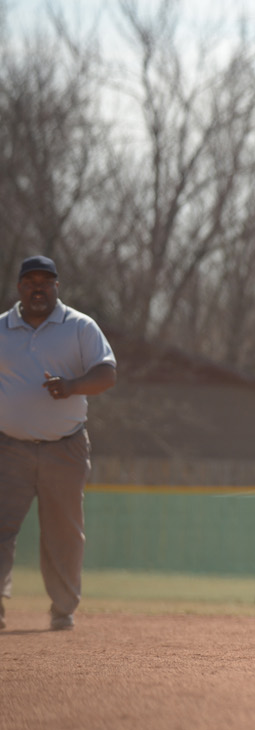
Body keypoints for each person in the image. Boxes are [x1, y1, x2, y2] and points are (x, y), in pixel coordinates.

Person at [0, 256, 117, 631]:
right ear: (19, 287)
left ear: (56, 287)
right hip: (8, 447)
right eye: (31, 281)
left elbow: (106, 373)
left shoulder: (80, 327)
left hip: (64, 447)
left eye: (46, 282)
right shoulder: (1, 328)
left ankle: (63, 609)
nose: (38, 288)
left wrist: (71, 386)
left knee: (63, 533)